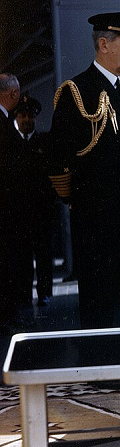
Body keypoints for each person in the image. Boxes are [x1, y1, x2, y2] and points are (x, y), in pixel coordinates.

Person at [48, 12, 120, 330]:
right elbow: (58, 158)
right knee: (100, 304)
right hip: (98, 219)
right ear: (104, 44)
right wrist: (76, 199)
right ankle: (101, 363)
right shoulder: (76, 91)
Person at [11, 95, 57, 307]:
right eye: (22, 115)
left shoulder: (45, 143)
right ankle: (24, 295)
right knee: (22, 256)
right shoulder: (11, 143)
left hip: (41, 210)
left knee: (44, 254)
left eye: (30, 116)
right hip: (18, 212)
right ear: (16, 118)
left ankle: (44, 293)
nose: (26, 120)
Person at [0, 73, 22, 331]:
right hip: (7, 209)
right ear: (14, 94)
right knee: (8, 263)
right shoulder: (4, 124)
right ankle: (6, 317)